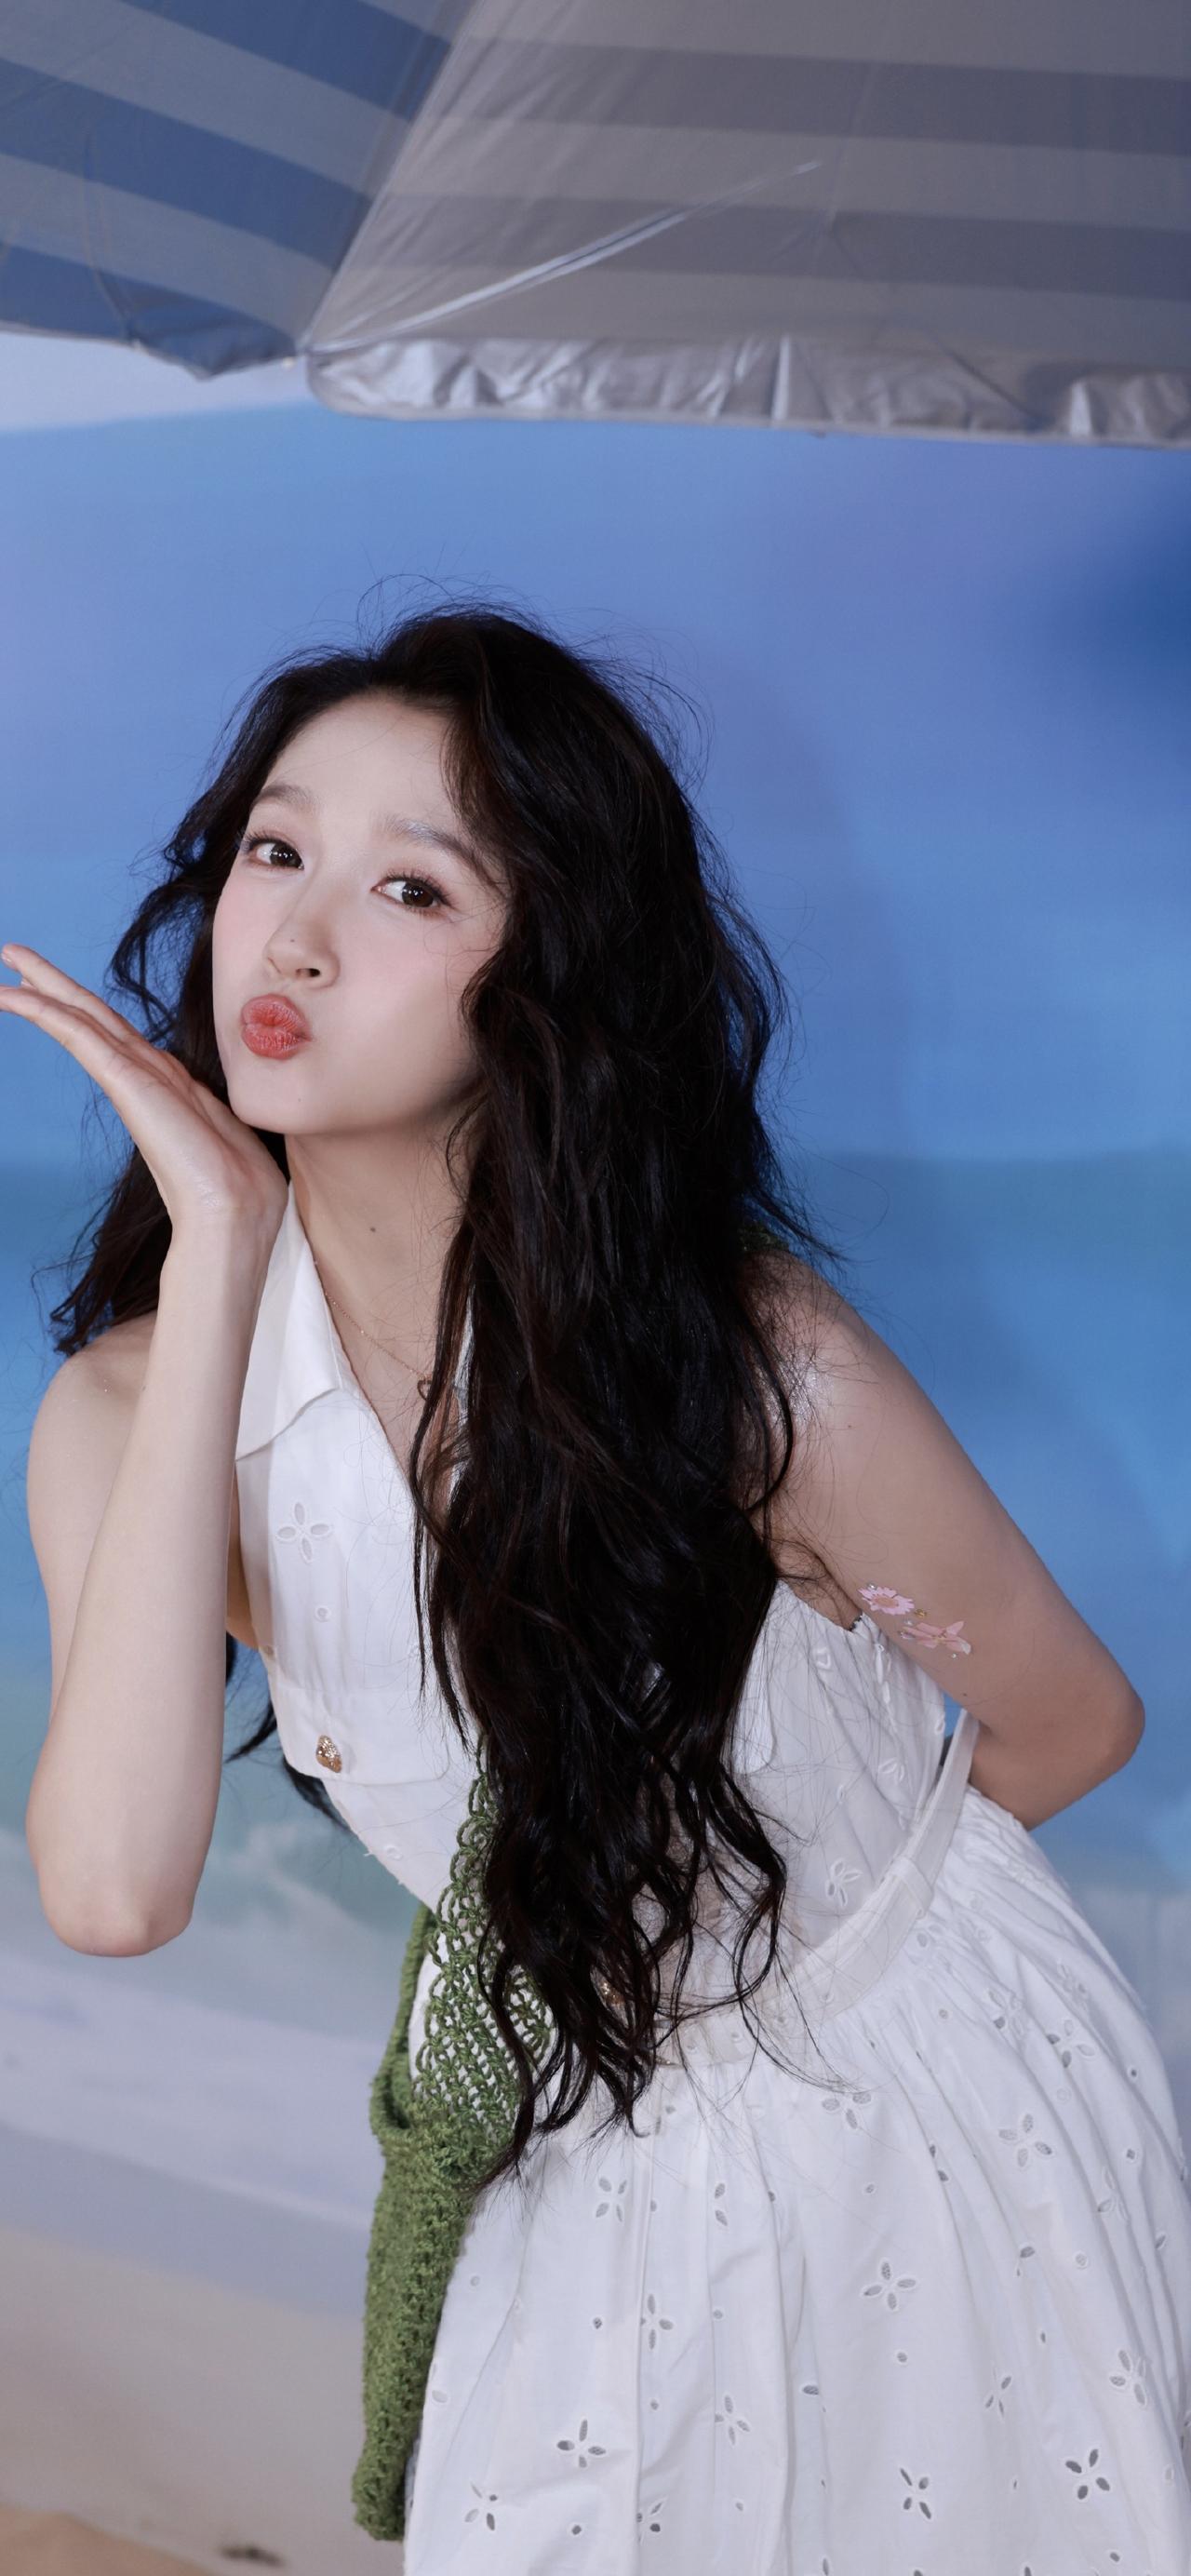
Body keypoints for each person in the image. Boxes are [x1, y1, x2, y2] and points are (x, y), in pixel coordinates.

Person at [11, 598, 1191, 2574]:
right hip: (570, 2139)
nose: (295, 937)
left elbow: (1073, 1719)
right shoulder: (130, 1410)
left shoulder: (743, 1370)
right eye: (275, 851)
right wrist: (218, 1248)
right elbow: (114, 1891)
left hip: (924, 2107)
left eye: (410, 887)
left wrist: (804, 1966)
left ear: (546, 973)